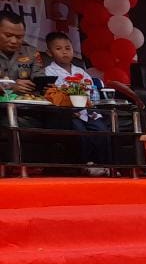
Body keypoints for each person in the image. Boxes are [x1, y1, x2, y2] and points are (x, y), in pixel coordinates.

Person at [43, 32, 110, 172]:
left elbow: (93, 91)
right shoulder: (48, 72)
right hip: (67, 113)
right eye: (59, 49)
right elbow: (53, 95)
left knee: (101, 129)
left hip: (87, 110)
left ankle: (103, 164)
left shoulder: (81, 71)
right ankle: (84, 164)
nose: (64, 52)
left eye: (68, 48)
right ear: (49, 52)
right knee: (79, 130)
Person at [0, 11, 42, 95]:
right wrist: (10, 87)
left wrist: (36, 86)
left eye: (19, 37)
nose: (14, 41)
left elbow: (40, 80)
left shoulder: (31, 53)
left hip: (24, 104)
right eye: (8, 35)